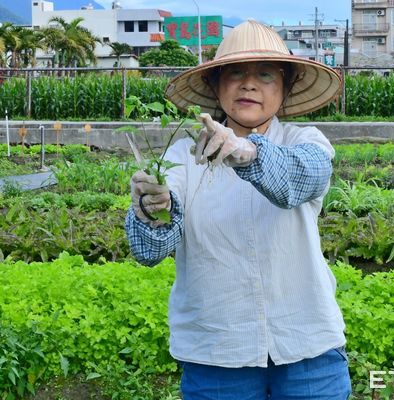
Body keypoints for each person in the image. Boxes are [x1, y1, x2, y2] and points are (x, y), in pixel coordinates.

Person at [126, 20, 351, 400]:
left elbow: (300, 180)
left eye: (265, 74)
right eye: (235, 74)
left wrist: (246, 152)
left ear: (286, 87)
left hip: (308, 348)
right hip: (217, 354)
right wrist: (152, 209)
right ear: (216, 86)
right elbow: (148, 252)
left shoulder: (306, 142)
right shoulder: (182, 157)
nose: (249, 84)